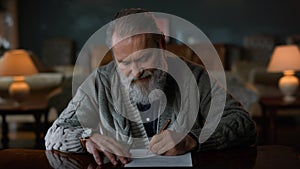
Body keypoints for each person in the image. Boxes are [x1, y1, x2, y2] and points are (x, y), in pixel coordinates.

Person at [45, 8, 257, 166]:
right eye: (124, 63)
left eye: (144, 58)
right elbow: (54, 134)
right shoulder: (99, 82)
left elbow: (243, 124)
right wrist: (86, 137)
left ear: (162, 45)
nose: (136, 71)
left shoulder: (194, 76)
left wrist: (193, 140)